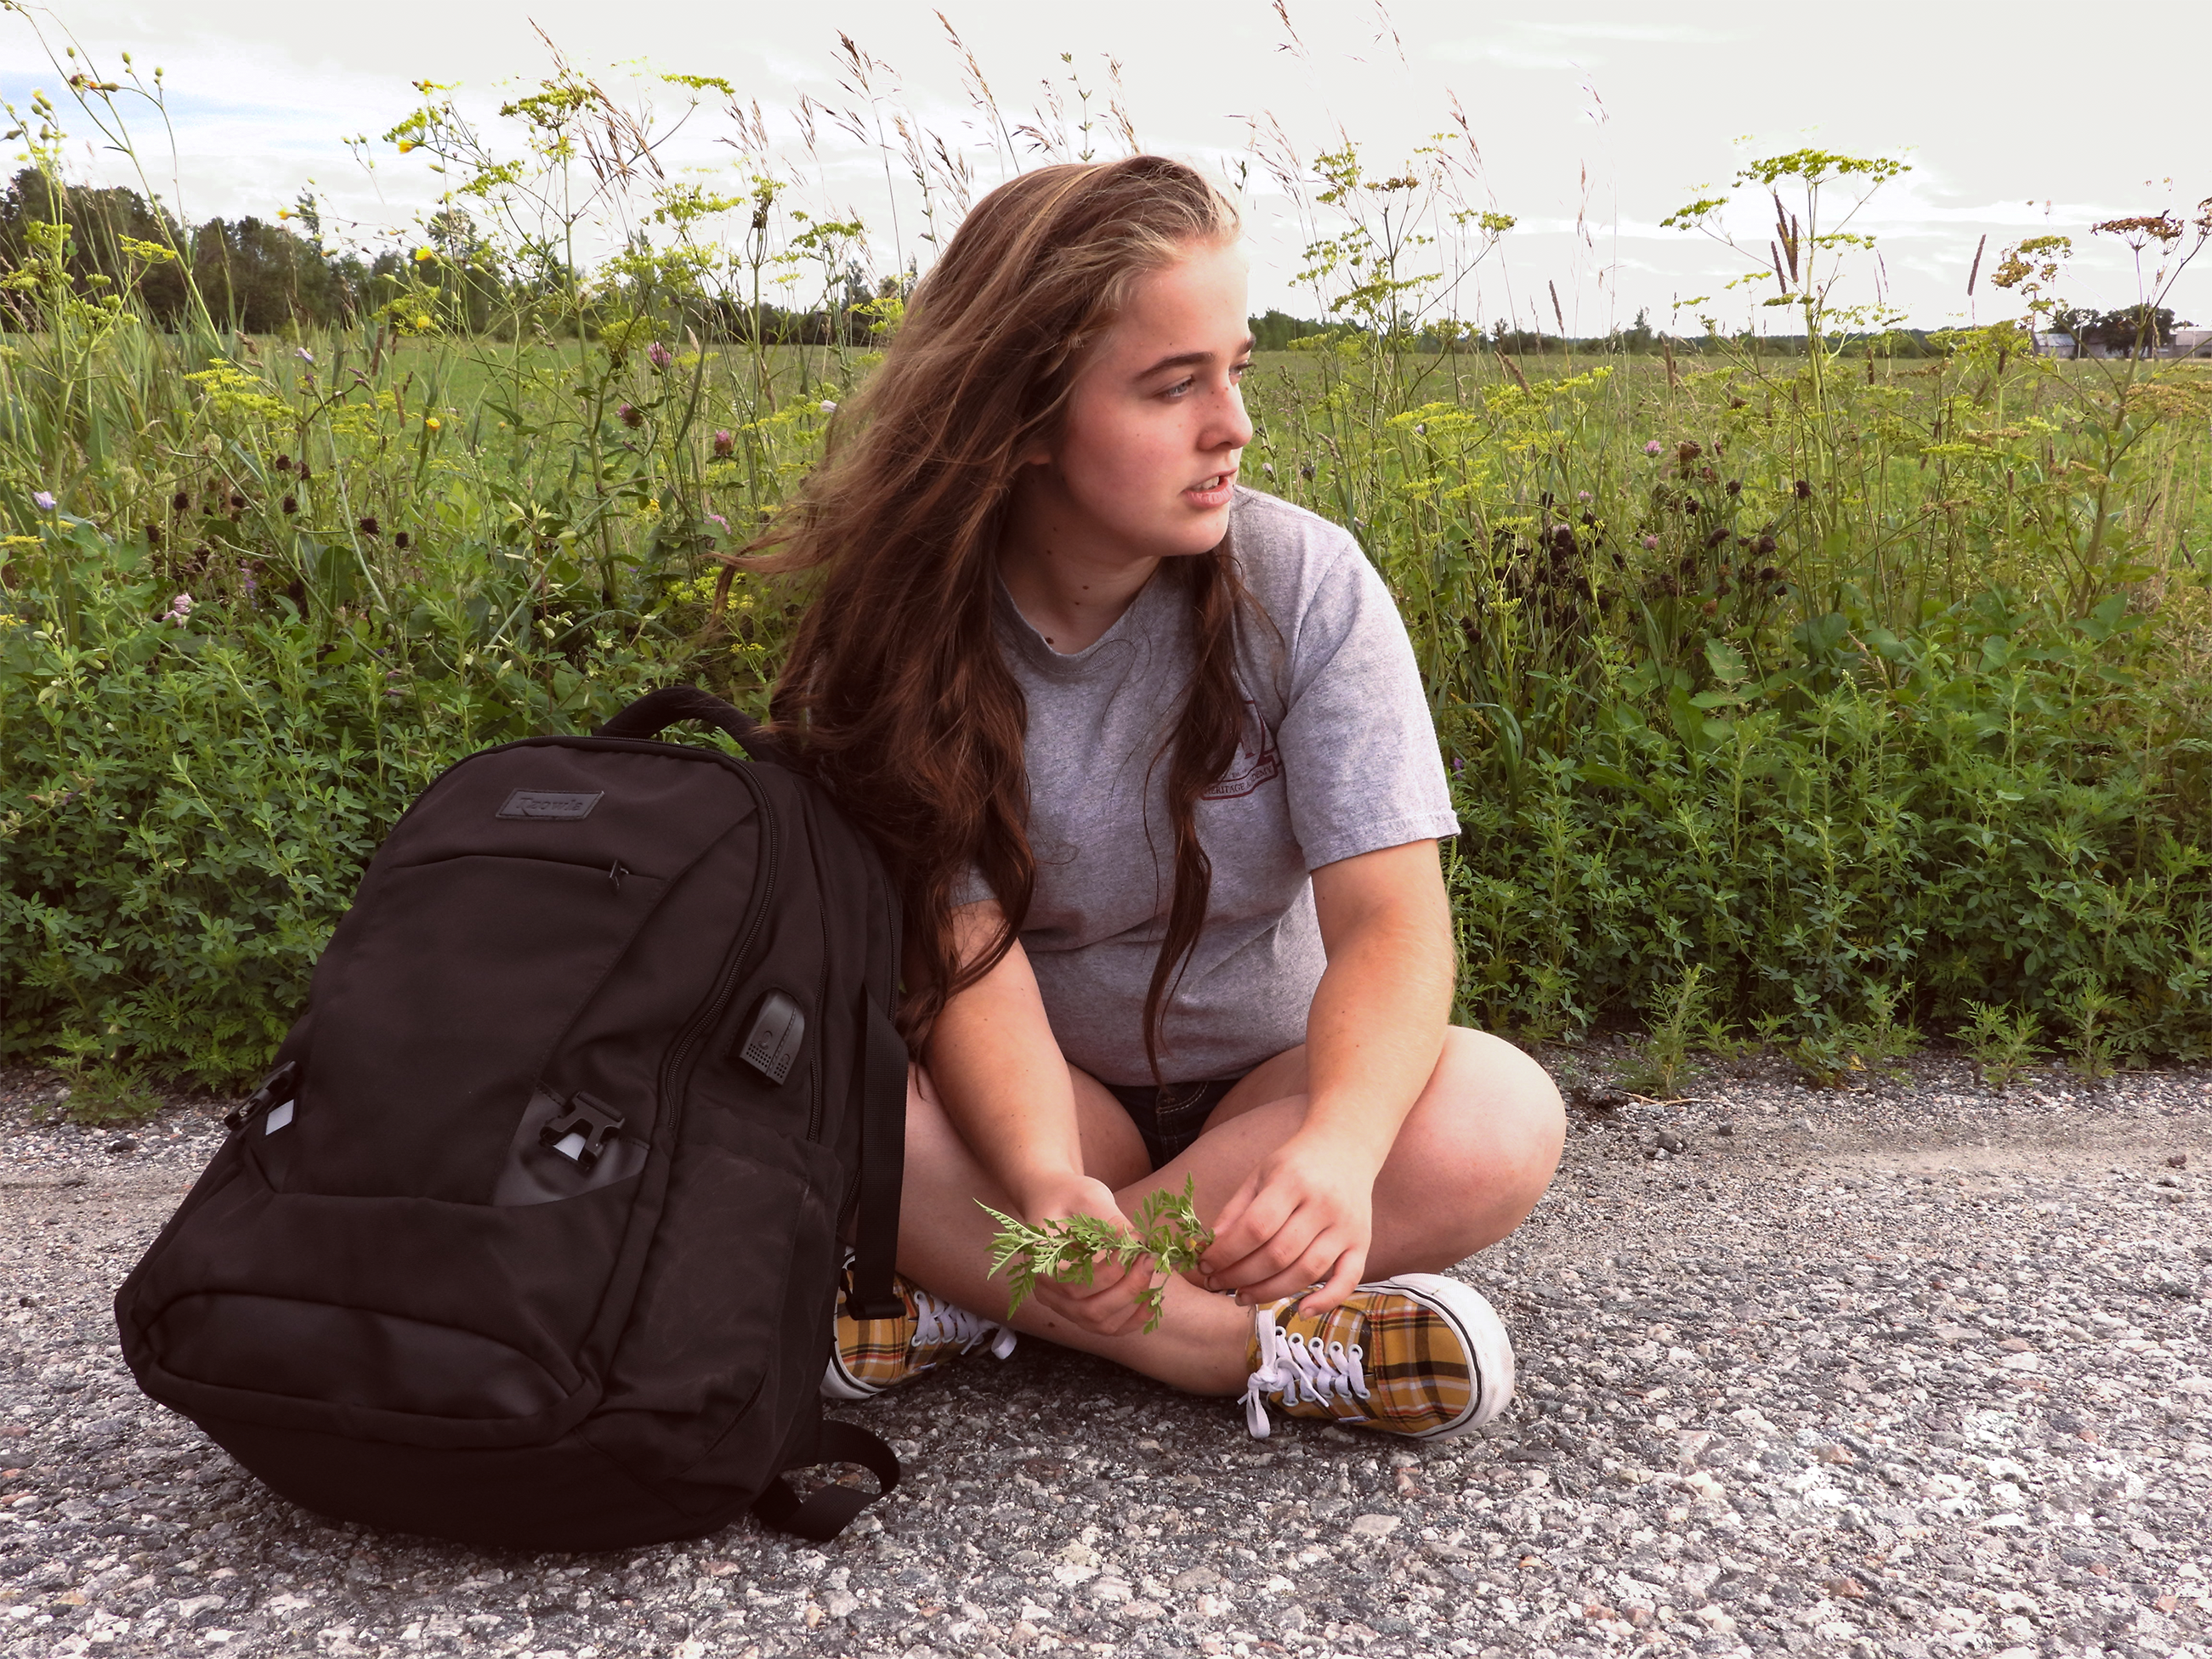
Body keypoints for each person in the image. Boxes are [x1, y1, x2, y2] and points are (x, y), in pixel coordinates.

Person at [738, 155, 1564, 1440]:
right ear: (1018, 419)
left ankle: (993, 1296)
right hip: (1037, 1097)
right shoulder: (906, 630)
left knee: (1499, 1117)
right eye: (1172, 385)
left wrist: (1339, 1148)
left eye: (1235, 370)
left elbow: (1390, 925)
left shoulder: (1304, 584)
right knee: (827, 1090)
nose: (1230, 423)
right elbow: (965, 947)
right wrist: (1038, 1174)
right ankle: (1239, 1348)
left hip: (1266, 1097)